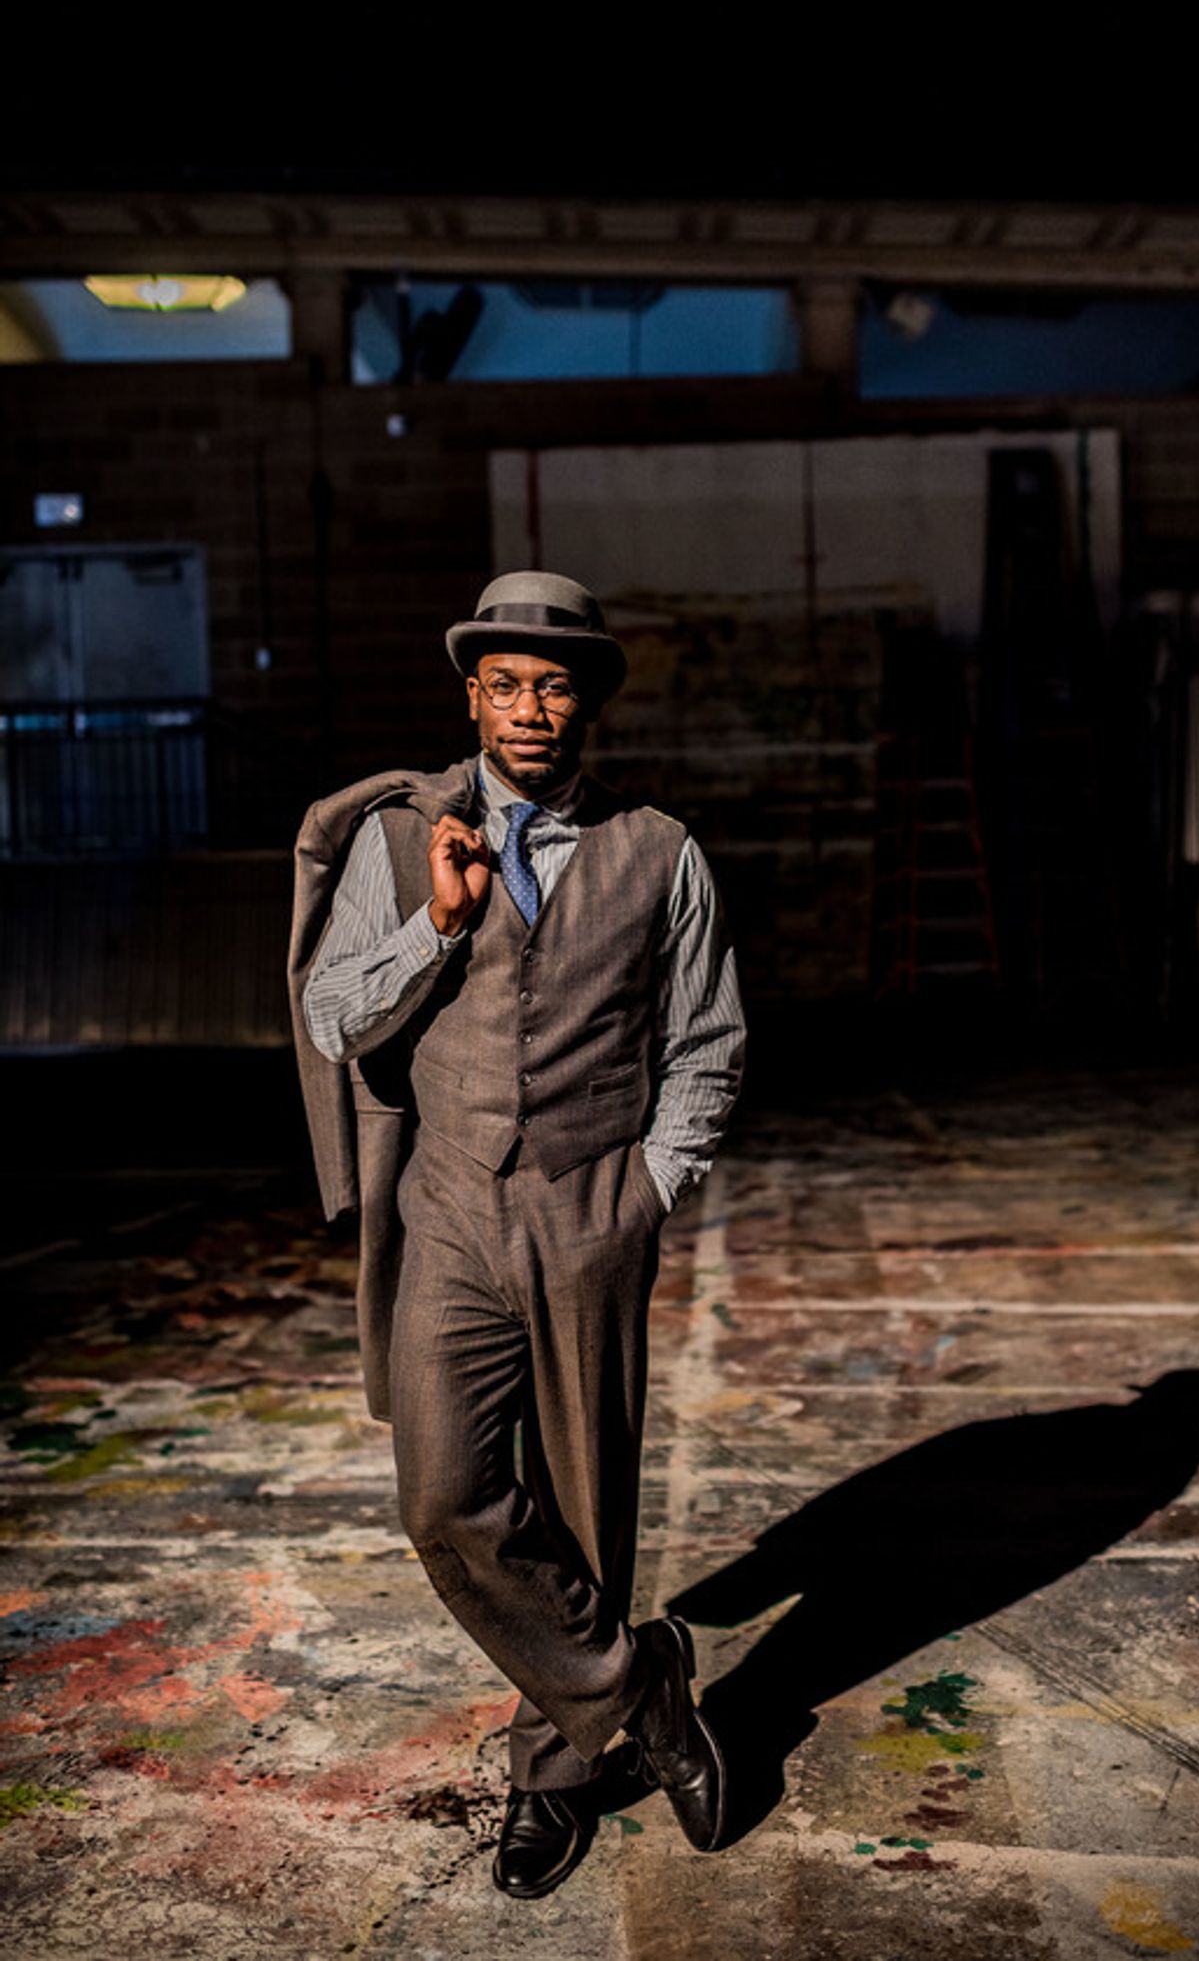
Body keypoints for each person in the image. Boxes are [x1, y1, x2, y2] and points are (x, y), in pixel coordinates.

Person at [288, 570, 745, 1900]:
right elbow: (332, 1019)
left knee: (586, 1504)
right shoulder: (397, 842)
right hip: (445, 1211)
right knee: (446, 1498)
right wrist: (435, 926)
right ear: (471, 695)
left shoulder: (662, 851)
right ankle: (639, 1688)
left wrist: (648, 1188)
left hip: (591, 1212)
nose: (530, 705)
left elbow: (709, 1046)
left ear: (588, 696)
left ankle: (556, 1773)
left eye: (556, 681)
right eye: (507, 682)